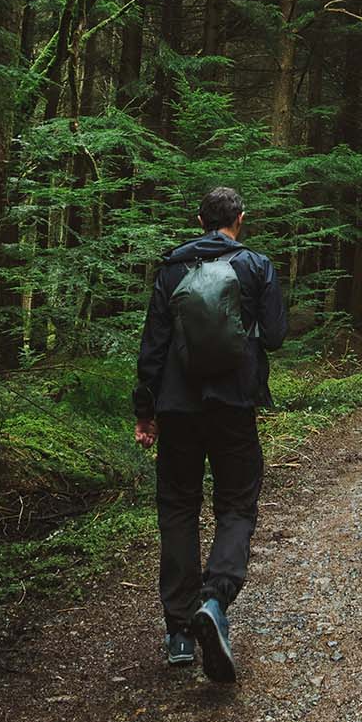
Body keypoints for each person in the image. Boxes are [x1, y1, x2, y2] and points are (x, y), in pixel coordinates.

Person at [134, 185, 287, 682]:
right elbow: (276, 336)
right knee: (237, 505)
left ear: (199, 220)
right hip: (234, 406)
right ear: (240, 219)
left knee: (178, 507)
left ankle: (179, 632)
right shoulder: (256, 266)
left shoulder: (171, 269)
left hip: (177, 408)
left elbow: (153, 346)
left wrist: (145, 411)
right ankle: (215, 599)